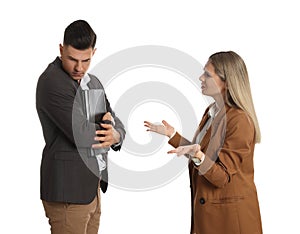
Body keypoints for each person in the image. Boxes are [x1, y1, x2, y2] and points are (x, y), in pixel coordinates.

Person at [144, 51, 263, 234]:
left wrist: (197, 155)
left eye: (207, 74)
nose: (201, 77)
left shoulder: (239, 120)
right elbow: (202, 152)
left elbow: (221, 176)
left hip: (230, 221)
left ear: (226, 81)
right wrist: (172, 135)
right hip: (211, 215)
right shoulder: (212, 111)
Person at [36, 20, 126, 234]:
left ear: (94, 52)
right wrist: (107, 129)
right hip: (68, 191)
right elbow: (82, 134)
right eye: (72, 59)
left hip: (91, 187)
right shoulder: (52, 82)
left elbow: (115, 120)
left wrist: (116, 134)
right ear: (61, 49)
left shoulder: (92, 82)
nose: (79, 67)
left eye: (86, 60)